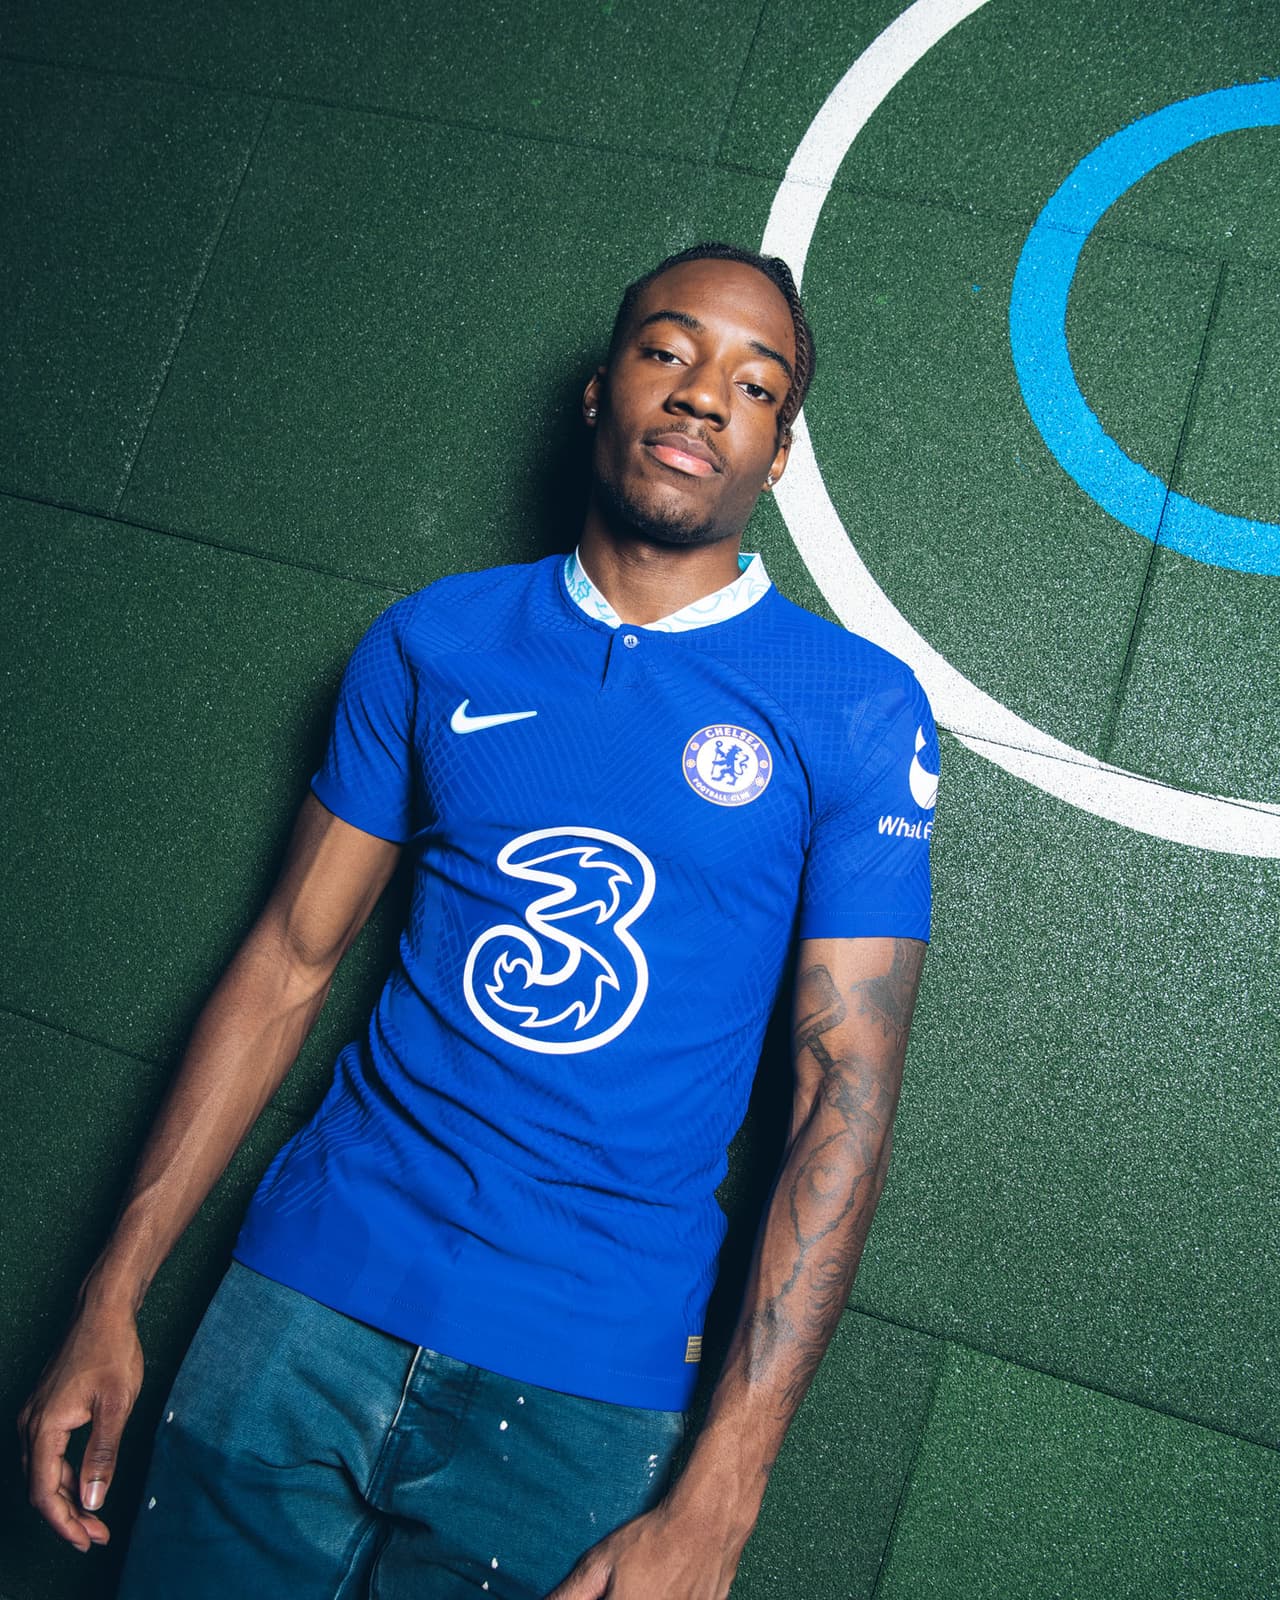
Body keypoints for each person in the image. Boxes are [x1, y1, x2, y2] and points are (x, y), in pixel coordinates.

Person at [19, 242, 939, 1599]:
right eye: (667, 351)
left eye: (754, 385)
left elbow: (842, 1091)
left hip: (590, 1380)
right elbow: (287, 963)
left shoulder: (853, 705)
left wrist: (724, 1493)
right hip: (301, 1307)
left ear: (780, 454)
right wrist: (111, 1292)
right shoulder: (433, 640)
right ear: (598, 390)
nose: (702, 395)